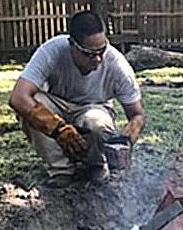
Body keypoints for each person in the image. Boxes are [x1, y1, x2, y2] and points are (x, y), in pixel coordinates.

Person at [8, 10, 145, 187]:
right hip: (59, 106)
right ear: (72, 45)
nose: (97, 59)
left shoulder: (117, 65)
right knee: (33, 105)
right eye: (89, 53)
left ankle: (96, 165)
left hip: (96, 108)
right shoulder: (52, 50)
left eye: (101, 50)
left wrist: (126, 139)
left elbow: (137, 115)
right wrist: (59, 129)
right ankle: (61, 170)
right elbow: (18, 97)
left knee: (96, 122)